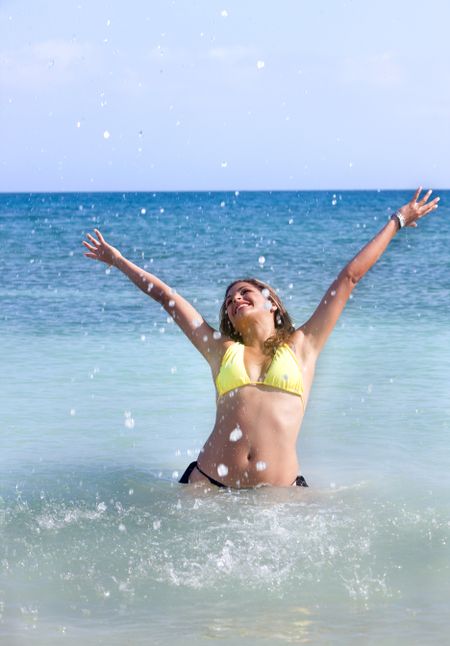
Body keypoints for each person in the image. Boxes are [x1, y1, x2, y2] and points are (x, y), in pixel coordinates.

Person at [83, 188, 440, 489]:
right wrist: (118, 261)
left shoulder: (303, 345)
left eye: (243, 292)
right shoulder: (222, 350)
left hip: (281, 495)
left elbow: (349, 278)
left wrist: (398, 221)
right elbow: (169, 299)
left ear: (272, 304)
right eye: (228, 300)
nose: (233, 299)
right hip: (208, 486)